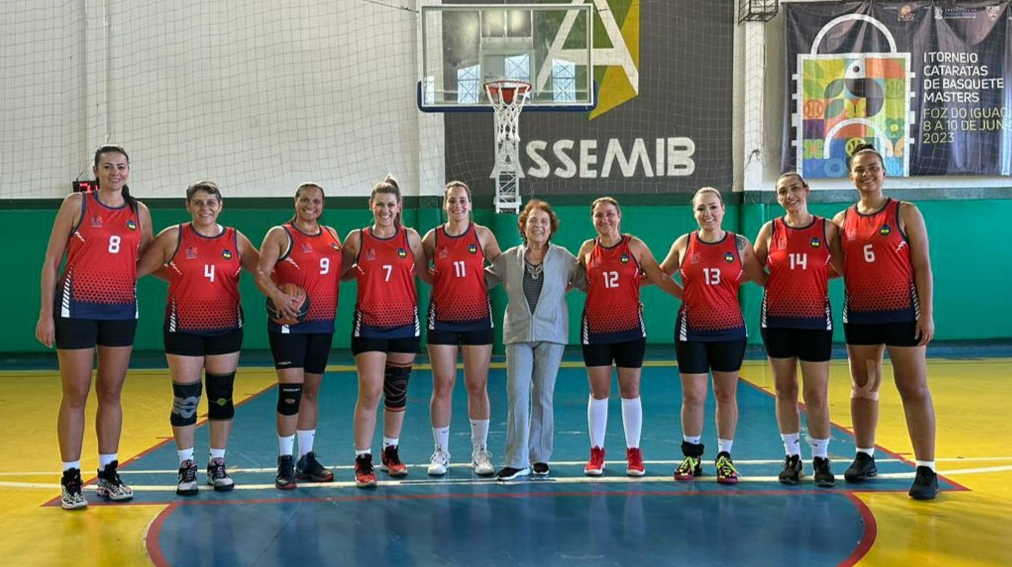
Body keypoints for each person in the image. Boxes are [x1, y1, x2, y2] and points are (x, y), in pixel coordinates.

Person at [36, 144, 153, 510]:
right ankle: (71, 478)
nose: (115, 172)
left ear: (128, 171)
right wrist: (45, 314)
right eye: (108, 167)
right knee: (75, 394)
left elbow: (150, 257)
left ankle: (108, 473)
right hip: (76, 309)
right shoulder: (77, 204)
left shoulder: (140, 211)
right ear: (97, 171)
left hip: (121, 311)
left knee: (112, 393)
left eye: (121, 167)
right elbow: (52, 260)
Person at [137, 181, 260, 495]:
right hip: (184, 329)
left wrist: (291, 291)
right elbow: (141, 268)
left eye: (211, 202)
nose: (205, 208)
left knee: (221, 396)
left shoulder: (236, 239)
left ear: (220, 206)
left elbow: (264, 270)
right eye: (198, 203)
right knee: (186, 399)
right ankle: (186, 465)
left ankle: (217, 463)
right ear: (188, 206)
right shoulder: (174, 236)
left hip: (226, 328)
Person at [833, 143, 938, 500]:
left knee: (914, 388)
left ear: (884, 171)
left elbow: (922, 266)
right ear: (851, 176)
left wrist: (926, 313)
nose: (867, 174)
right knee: (863, 387)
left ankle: (926, 468)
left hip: (902, 315)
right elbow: (831, 267)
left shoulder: (905, 212)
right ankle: (864, 456)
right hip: (861, 316)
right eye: (860, 169)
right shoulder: (841, 221)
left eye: (873, 167)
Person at [659, 187, 766, 485]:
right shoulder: (685, 243)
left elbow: (760, 277)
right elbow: (660, 274)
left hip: (730, 329)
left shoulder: (740, 244)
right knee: (693, 395)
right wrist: (684, 295)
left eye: (713, 207)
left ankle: (725, 456)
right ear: (694, 213)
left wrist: (729, 285)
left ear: (723, 210)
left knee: (726, 394)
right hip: (691, 329)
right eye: (701, 209)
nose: (708, 214)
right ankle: (692, 454)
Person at [574, 197, 683, 477]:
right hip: (596, 329)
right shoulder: (587, 249)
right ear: (592, 219)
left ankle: (634, 452)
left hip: (630, 330)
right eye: (599, 216)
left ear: (619, 216)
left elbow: (658, 276)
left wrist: (688, 298)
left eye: (610, 214)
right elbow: (574, 282)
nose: (604, 220)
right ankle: (596, 452)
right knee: (599, 392)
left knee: (630, 391)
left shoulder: (634, 246)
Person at [754, 173, 843, 487]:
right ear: (778, 198)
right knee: (784, 390)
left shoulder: (827, 228)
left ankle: (821, 457)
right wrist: (774, 283)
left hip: (815, 320)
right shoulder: (770, 230)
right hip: (777, 320)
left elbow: (844, 267)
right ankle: (792, 457)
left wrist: (814, 278)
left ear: (806, 190)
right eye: (782, 191)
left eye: (794, 188)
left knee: (816, 394)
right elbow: (753, 264)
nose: (789, 195)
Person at [256, 183, 345, 490]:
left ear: (323, 205)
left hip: (322, 323)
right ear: (295, 201)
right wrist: (278, 298)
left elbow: (339, 273)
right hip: (289, 323)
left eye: (316, 201)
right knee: (291, 392)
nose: (310, 205)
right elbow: (261, 273)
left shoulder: (332, 235)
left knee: (311, 391)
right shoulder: (280, 234)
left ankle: (306, 458)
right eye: (304, 200)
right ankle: (284, 459)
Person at [341, 176, 428, 488]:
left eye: (390, 205)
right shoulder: (357, 239)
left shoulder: (412, 238)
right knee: (371, 391)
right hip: (370, 325)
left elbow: (425, 274)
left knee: (397, 391)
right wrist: (364, 271)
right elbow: (339, 272)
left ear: (399, 207)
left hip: (405, 323)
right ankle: (362, 458)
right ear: (371, 205)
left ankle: (390, 451)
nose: (385, 209)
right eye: (380, 204)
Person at [486, 199, 582, 481]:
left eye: (543, 221)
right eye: (532, 221)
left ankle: (539, 456)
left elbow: (586, 280)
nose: (538, 226)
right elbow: (483, 280)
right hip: (517, 334)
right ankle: (516, 460)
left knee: (543, 395)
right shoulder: (508, 258)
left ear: (551, 227)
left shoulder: (564, 257)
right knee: (517, 393)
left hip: (551, 334)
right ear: (523, 227)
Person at [420, 181, 501, 477]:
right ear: (445, 204)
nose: (458, 205)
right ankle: (441, 453)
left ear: (470, 204)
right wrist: (444, 284)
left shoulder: (483, 235)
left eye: (463, 200)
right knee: (443, 384)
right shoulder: (433, 238)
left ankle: (480, 451)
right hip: (442, 318)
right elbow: (420, 270)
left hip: (478, 317)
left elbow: (501, 266)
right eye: (452, 200)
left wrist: (480, 283)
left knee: (477, 386)